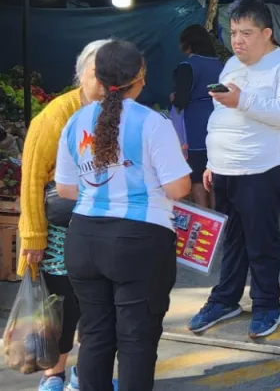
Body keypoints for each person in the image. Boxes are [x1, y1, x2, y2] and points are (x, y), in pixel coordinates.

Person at [54, 41, 192, 391]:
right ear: (140, 78)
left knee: (95, 334)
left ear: (97, 78)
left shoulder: (75, 121)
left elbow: (66, 189)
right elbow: (178, 188)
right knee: (136, 340)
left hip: (84, 240)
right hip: (139, 242)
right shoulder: (153, 123)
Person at [188, 0, 280, 338]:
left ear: (266, 33)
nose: (237, 41)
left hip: (263, 166)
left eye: (246, 33)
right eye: (233, 33)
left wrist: (242, 99)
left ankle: (267, 304)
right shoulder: (231, 65)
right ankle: (225, 299)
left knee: (261, 240)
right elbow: (219, 115)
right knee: (233, 239)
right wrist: (212, 162)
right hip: (225, 168)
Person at [17, 40, 110, 391]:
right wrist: (33, 237)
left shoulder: (120, 111)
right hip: (60, 230)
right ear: (81, 74)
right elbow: (31, 178)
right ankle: (53, 375)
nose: (104, 81)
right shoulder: (56, 115)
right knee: (63, 306)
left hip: (104, 226)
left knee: (98, 307)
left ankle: (86, 375)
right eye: (96, 73)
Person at [172, 24, 224, 209]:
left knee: (197, 174)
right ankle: (219, 217)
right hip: (219, 122)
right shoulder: (221, 65)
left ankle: (204, 216)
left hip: (195, 125)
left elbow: (181, 100)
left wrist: (174, 98)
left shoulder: (188, 66)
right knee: (216, 173)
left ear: (187, 44)